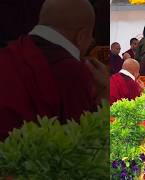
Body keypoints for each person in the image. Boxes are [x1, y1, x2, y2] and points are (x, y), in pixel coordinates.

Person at [0, 0, 107, 140]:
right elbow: (84, 146)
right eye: (90, 38)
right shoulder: (73, 72)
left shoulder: (9, 53)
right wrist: (105, 94)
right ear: (81, 36)